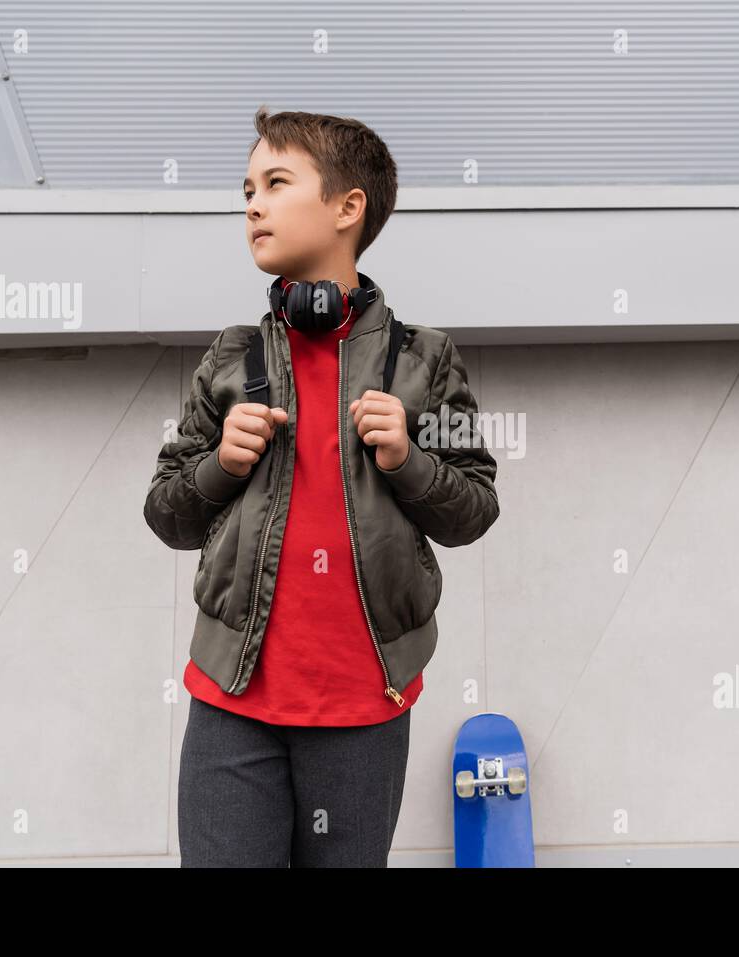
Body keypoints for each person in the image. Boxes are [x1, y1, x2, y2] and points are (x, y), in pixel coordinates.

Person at [143, 106, 500, 866]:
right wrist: (220, 466)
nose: (252, 204)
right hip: (232, 704)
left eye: (276, 182)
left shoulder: (423, 361)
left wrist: (410, 457)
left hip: (364, 711)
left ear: (347, 207)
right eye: (247, 188)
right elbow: (167, 513)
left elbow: (475, 507)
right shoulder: (230, 359)